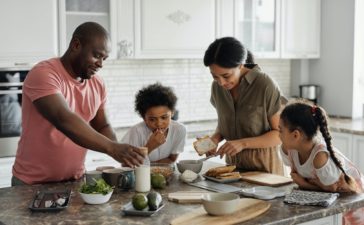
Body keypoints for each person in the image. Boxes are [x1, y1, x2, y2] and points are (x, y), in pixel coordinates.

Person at [12, 22, 145, 185]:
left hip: (75, 181)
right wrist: (112, 148)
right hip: (31, 184)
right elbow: (63, 119)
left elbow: (102, 125)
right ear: (76, 45)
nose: (100, 64)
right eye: (97, 56)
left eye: (104, 59)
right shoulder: (44, 73)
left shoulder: (97, 84)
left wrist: (123, 153)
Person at [202, 37, 284, 174]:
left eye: (226, 76)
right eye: (215, 76)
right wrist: (214, 139)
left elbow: (280, 134)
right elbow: (225, 124)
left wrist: (243, 143)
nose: (221, 83)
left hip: (266, 171)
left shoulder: (265, 85)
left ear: (241, 65)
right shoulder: (217, 88)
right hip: (232, 171)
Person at [279, 100, 364, 193]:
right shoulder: (289, 149)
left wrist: (304, 184)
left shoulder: (320, 157)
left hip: (353, 197)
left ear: (295, 135)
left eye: (281, 130)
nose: (278, 135)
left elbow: (333, 191)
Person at [121, 83, 186, 163]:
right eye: (152, 119)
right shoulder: (136, 132)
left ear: (172, 112)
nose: (159, 124)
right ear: (144, 117)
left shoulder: (179, 130)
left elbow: (172, 159)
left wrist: (152, 168)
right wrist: (150, 146)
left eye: (164, 117)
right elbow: (126, 165)